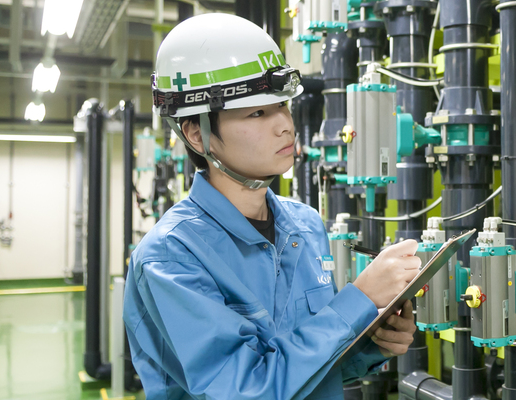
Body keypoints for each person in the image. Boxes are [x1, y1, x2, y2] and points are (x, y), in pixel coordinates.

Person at [124, 13, 419, 399]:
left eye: (282, 105)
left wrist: (371, 344)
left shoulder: (306, 225)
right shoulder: (171, 257)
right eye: (258, 112)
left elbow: (310, 367)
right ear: (198, 134)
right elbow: (248, 388)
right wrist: (359, 299)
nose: (285, 125)